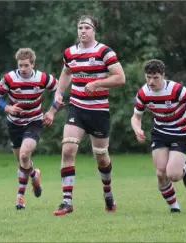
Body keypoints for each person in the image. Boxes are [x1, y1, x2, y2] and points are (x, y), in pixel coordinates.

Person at [53, 15, 126, 216]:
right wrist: (59, 93)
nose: (83, 31)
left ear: (94, 31)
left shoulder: (104, 52)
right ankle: (66, 201)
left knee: (101, 157)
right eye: (80, 27)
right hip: (77, 108)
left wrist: (97, 83)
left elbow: (120, 78)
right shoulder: (70, 53)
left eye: (87, 27)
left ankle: (108, 192)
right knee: (67, 149)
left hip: (99, 111)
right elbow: (66, 72)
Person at [0, 48, 59, 210]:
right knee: (21, 161)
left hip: (34, 121)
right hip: (14, 123)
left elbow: (60, 88)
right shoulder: (9, 78)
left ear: (33, 64)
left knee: (24, 154)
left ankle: (20, 197)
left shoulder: (42, 78)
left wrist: (52, 110)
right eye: (20, 65)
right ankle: (34, 175)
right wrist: (7, 108)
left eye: (26, 66)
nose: (22, 69)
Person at [131, 59, 186, 213]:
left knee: (173, 175)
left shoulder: (176, 90)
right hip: (160, 133)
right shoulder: (143, 93)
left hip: (180, 133)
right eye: (148, 77)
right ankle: (174, 207)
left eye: (155, 78)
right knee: (160, 173)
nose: (151, 82)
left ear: (163, 76)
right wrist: (137, 129)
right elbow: (136, 117)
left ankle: (184, 167)